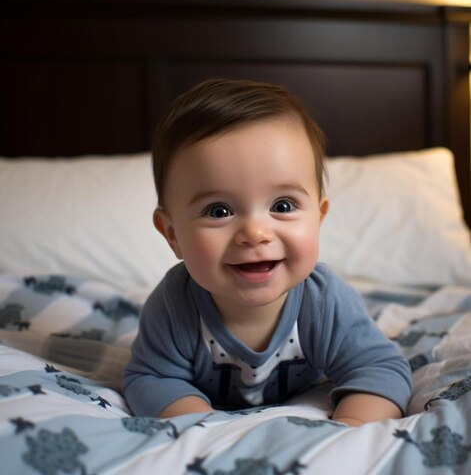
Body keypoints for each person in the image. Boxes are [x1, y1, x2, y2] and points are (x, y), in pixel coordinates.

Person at [122, 78, 412, 426]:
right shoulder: (173, 307)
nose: (255, 234)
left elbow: (379, 368)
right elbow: (151, 380)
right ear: (173, 235)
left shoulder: (324, 303)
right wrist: (207, 430)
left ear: (318, 217)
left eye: (283, 204)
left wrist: (347, 431)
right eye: (219, 211)